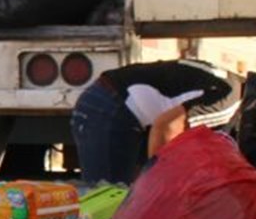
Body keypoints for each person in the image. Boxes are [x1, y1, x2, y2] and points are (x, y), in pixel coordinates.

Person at [70, 59, 234, 185]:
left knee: (130, 205)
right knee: (109, 206)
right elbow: (166, 128)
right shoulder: (228, 103)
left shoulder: (230, 84)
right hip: (110, 107)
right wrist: (157, 187)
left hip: (119, 107)